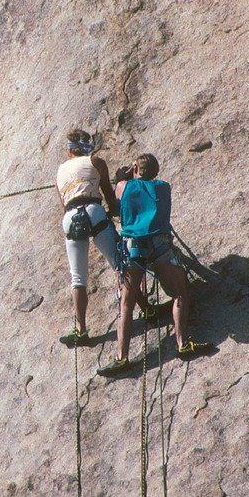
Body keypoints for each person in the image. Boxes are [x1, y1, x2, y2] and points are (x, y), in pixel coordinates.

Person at [98, 153, 211, 377]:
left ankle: (122, 358)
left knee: (127, 305)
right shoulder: (163, 187)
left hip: (133, 248)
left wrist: (125, 175)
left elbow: (115, 202)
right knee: (180, 293)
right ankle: (182, 343)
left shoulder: (124, 187)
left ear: (135, 169)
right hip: (160, 245)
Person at [55, 130, 156, 347]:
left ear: (69, 149)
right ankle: (147, 309)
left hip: (71, 217)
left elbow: (64, 203)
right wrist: (121, 189)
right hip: (93, 211)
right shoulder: (96, 162)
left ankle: (81, 330)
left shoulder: (60, 170)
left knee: (77, 277)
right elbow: (111, 199)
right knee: (121, 265)